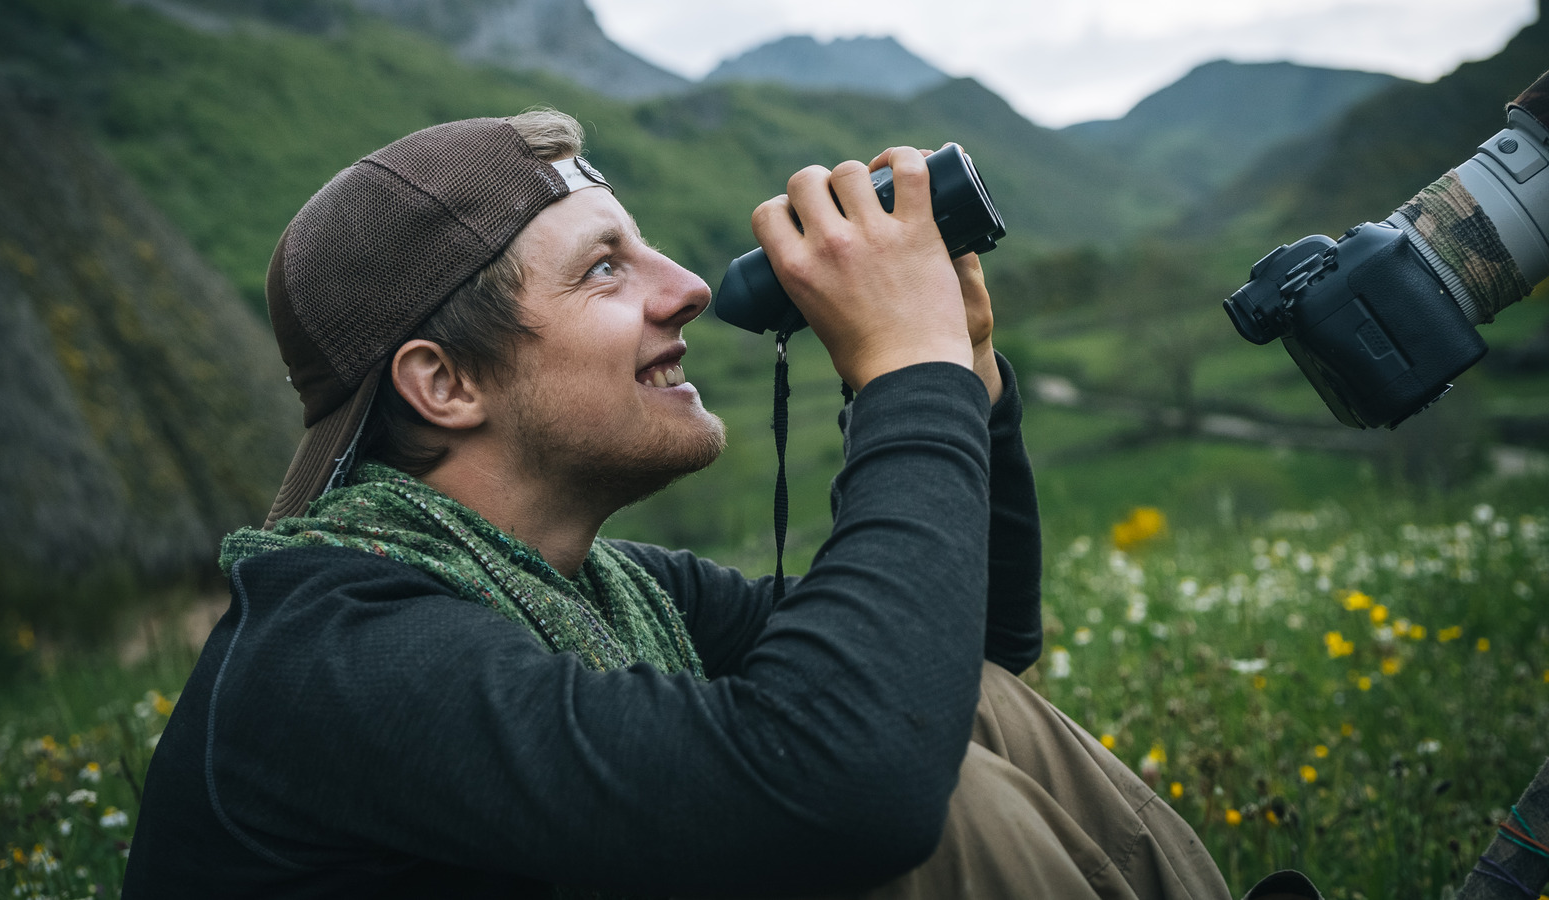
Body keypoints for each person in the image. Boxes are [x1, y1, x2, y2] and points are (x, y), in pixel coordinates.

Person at [122, 109, 1247, 898]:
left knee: (968, 715)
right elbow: (846, 794)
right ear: (444, 384)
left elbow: (965, 647)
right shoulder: (338, 658)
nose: (691, 288)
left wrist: (965, 376)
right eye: (607, 269)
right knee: (910, 802)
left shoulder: (615, 595)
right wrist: (910, 378)